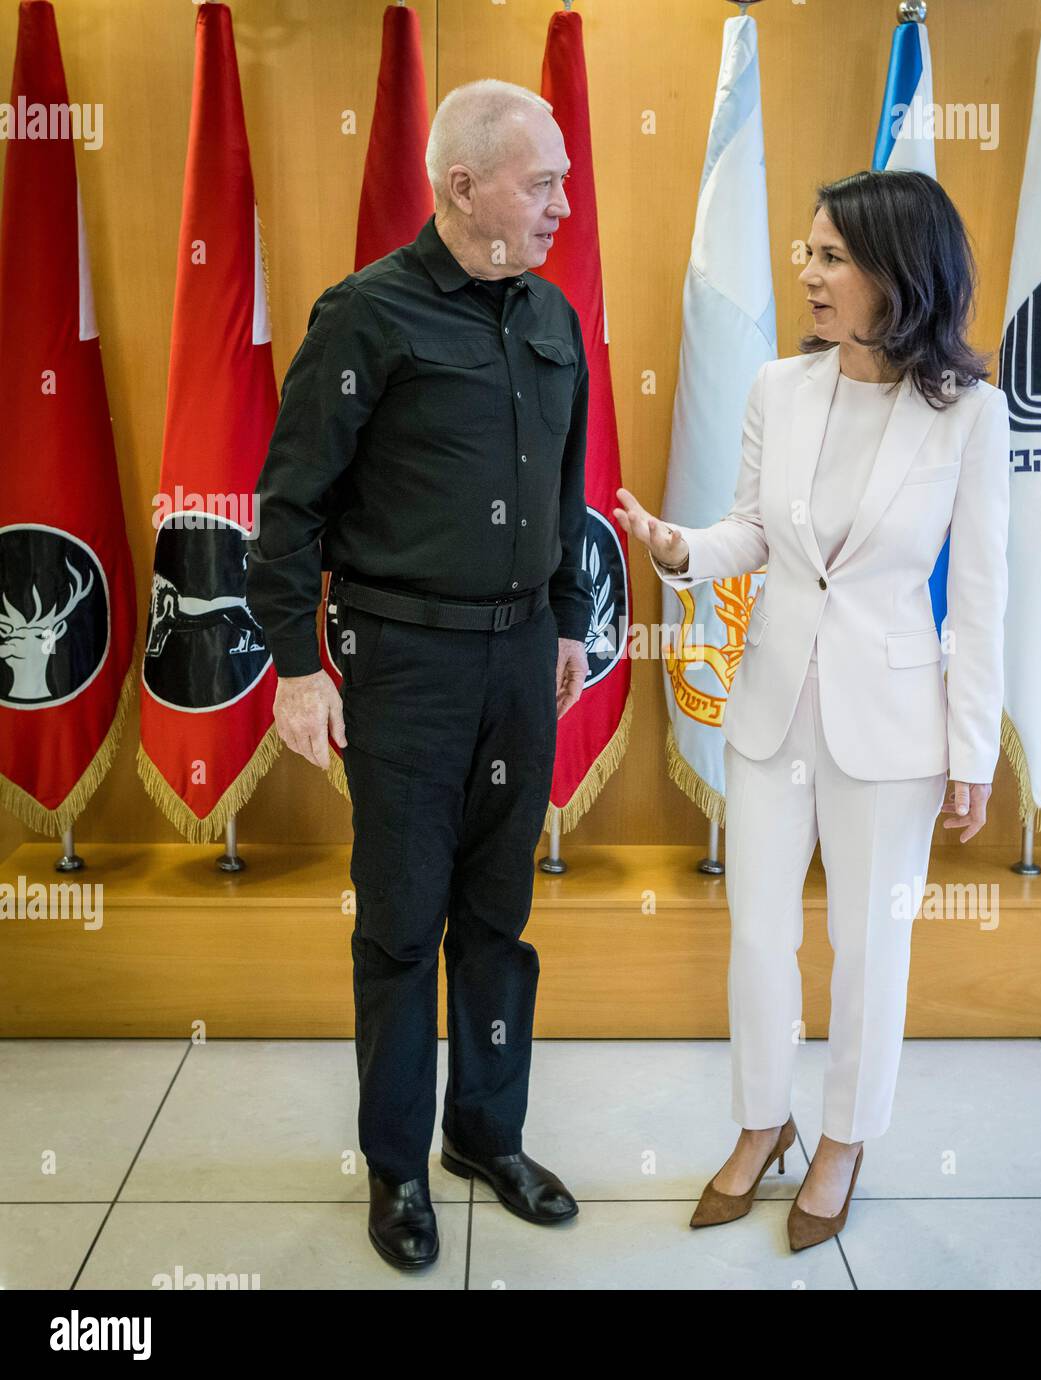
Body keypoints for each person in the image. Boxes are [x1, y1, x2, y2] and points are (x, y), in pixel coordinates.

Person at [614, 169, 1011, 1252]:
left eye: (831, 255)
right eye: (805, 251)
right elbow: (750, 531)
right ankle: (761, 1122)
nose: (807, 271)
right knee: (758, 934)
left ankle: (844, 1139)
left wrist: (971, 747)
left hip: (893, 723)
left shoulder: (970, 413)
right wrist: (680, 550)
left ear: (896, 270)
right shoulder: (775, 389)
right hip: (771, 705)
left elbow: (979, 598)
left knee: (867, 945)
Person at [245, 79, 593, 1270]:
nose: (563, 201)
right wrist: (298, 666)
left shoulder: (553, 318)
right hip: (401, 663)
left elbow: (562, 493)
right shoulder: (367, 318)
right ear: (462, 187)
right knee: (401, 926)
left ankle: (485, 1135)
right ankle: (396, 1167)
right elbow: (288, 511)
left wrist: (565, 620)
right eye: (540, 181)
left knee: (498, 917)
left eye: (560, 178)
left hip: (515, 662)